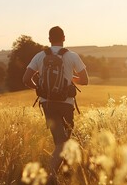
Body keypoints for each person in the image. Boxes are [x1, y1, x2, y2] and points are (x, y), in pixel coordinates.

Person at [23, 26, 88, 176]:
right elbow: (85, 80)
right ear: (64, 38)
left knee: (61, 142)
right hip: (66, 104)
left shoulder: (39, 56)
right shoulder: (72, 56)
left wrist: (40, 89)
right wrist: (69, 77)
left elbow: (26, 79)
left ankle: (62, 175)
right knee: (63, 142)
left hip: (48, 104)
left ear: (49, 39)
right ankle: (49, 176)